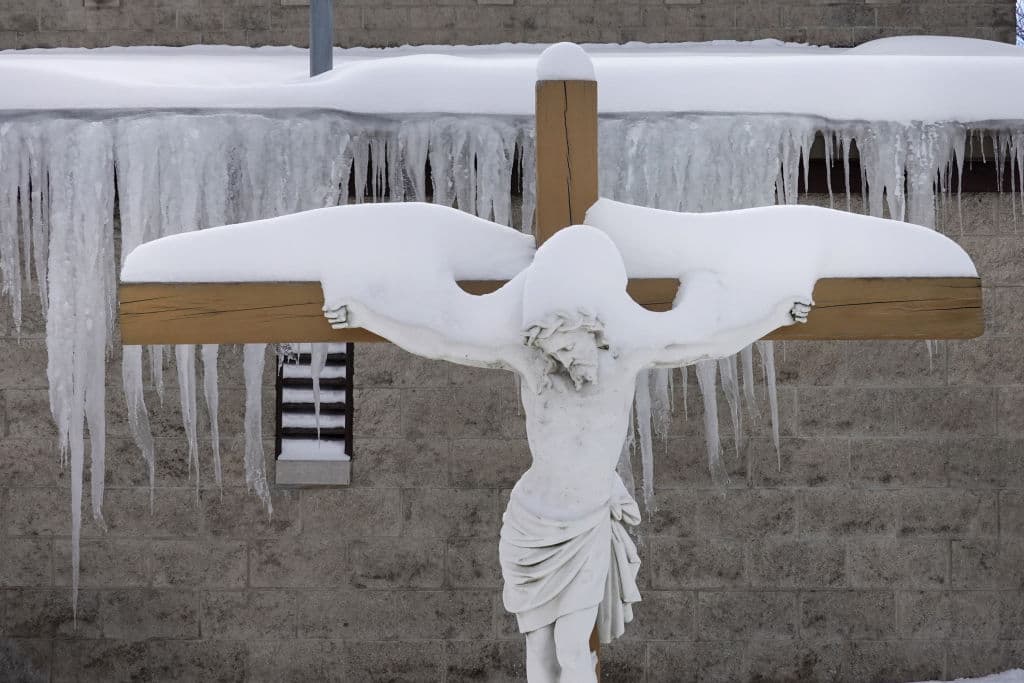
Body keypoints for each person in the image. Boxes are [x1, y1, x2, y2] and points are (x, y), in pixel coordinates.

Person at [324, 225, 810, 683]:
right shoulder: (535, 370)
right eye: (552, 351)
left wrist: (774, 316)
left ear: (590, 331)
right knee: (538, 651)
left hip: (585, 524)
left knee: (573, 649)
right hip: (532, 525)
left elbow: (705, 340)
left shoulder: (625, 363)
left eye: (567, 348)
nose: (562, 360)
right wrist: (369, 318)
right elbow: (445, 341)